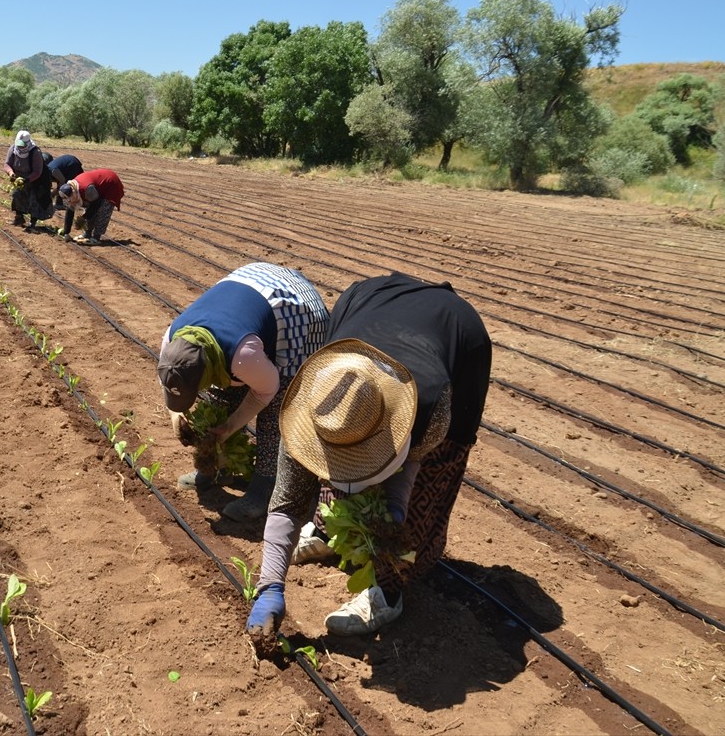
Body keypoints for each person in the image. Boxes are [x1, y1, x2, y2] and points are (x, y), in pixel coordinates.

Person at [246, 272, 491, 640]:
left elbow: (409, 469)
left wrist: (393, 520)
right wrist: (270, 588)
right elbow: (287, 499)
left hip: (458, 334)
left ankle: (388, 594)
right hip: (371, 299)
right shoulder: (316, 401)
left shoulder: (431, 408)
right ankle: (330, 534)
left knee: (430, 484)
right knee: (340, 445)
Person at [157, 263, 329, 521]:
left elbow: (265, 391)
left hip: (296, 309)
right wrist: (175, 414)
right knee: (219, 398)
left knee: (275, 412)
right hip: (250, 293)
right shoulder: (172, 339)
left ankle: (264, 488)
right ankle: (216, 467)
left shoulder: (242, 355)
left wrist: (230, 426)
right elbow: (170, 380)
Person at [57, 168, 124, 245]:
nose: (68, 200)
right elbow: (70, 210)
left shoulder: (87, 189)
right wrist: (66, 233)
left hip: (111, 184)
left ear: (73, 192)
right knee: (89, 209)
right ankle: (87, 234)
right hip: (97, 188)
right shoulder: (73, 189)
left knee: (102, 210)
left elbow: (96, 205)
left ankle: (96, 237)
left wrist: (84, 217)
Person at [3, 130, 47, 230]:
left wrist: (27, 180)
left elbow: (37, 171)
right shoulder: (13, 148)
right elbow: (7, 164)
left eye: (22, 145)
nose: (20, 147)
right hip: (19, 178)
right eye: (19, 144)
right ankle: (19, 218)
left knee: (34, 200)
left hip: (34, 179)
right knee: (17, 196)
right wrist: (11, 173)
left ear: (27, 143)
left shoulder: (35, 152)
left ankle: (33, 223)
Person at [46, 154, 84, 236]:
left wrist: (53, 193)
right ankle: (59, 203)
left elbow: (62, 182)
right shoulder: (47, 172)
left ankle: (78, 201)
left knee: (70, 186)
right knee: (64, 187)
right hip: (67, 165)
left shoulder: (53, 170)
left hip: (73, 165)